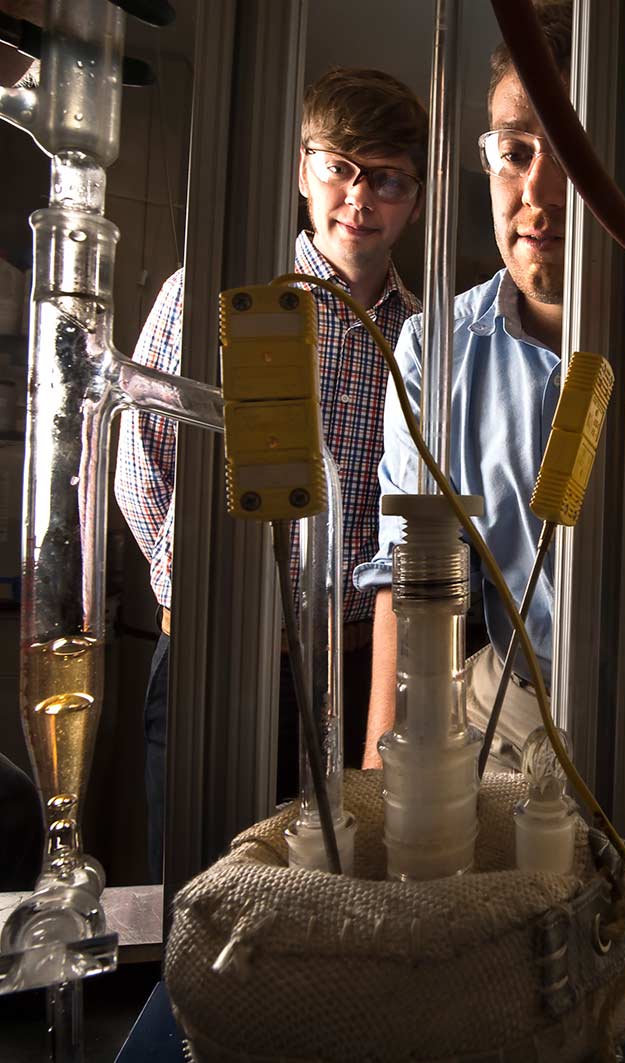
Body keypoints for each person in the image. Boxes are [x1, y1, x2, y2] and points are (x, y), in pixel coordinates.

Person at [356, 0, 625, 890]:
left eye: (576, 155)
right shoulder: (436, 349)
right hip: (515, 691)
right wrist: (377, 819)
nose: (540, 190)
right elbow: (411, 589)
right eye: (516, 150)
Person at [114, 67, 427, 880]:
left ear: (417, 198)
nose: (359, 199)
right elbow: (138, 454)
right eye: (339, 168)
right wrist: (200, 594)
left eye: (388, 179)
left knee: (325, 897)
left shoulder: (424, 341)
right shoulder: (221, 291)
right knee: (197, 890)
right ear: (301, 170)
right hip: (216, 654)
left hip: (356, 670)